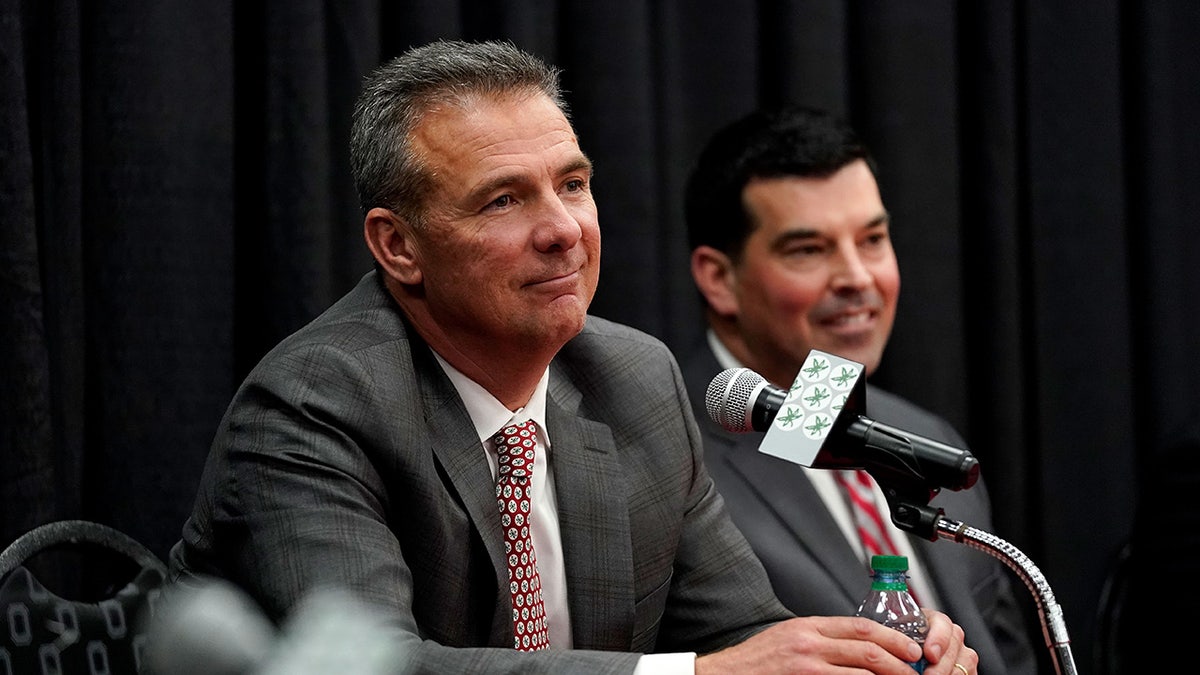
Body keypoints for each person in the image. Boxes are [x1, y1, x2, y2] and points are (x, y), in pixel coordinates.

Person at [167, 40, 979, 674]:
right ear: (398, 245)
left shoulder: (632, 378)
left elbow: (750, 636)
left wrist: (861, 656)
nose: (563, 228)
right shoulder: (313, 404)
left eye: (574, 184)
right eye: (504, 198)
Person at [681, 105, 1038, 674]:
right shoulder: (669, 453)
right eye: (809, 250)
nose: (857, 278)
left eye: (872, 239)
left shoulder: (926, 438)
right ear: (719, 279)